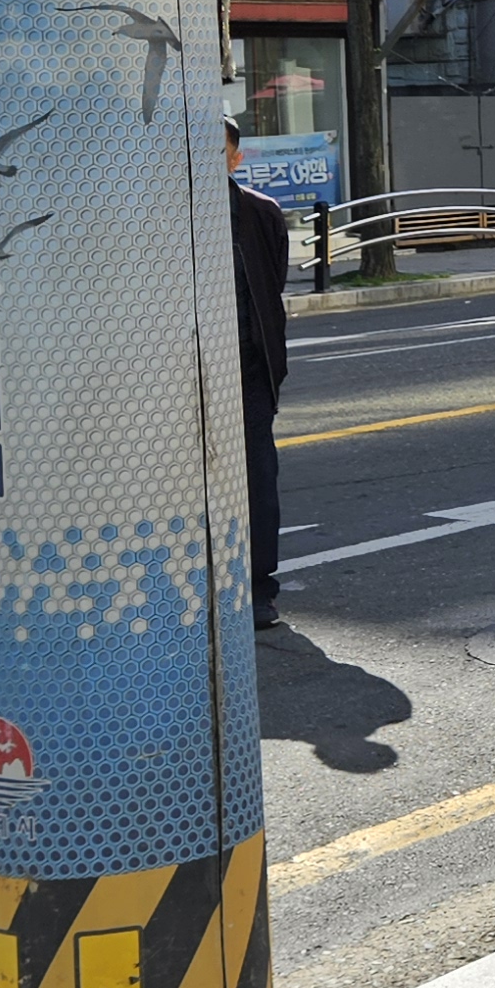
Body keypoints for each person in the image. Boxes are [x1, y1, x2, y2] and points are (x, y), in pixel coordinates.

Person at [225, 125, 291, 629]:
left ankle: (258, 588)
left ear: (235, 157)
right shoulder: (159, 217)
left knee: (255, 480)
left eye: (216, 150)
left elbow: (274, 284)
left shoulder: (260, 213)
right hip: (175, 376)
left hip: (247, 371)